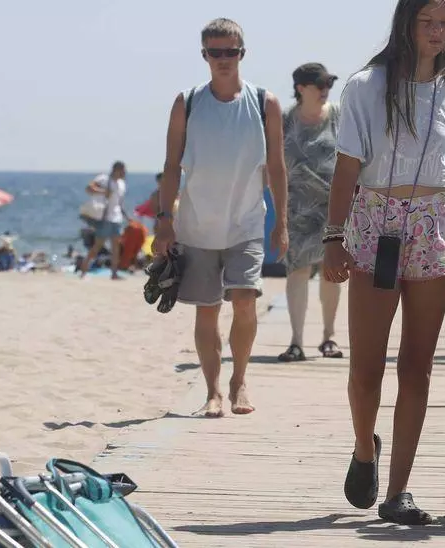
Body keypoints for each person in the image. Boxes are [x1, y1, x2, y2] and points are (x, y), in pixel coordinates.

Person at [320, 0, 445, 525]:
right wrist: (333, 237)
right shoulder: (364, 86)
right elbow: (347, 166)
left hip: (432, 226)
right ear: (406, 24)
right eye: (428, 21)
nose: (438, 32)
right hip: (374, 222)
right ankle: (364, 449)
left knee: (418, 366)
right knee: (366, 367)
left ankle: (398, 492)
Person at [153, 17, 289, 418]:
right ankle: (212, 391)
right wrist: (164, 220)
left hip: (247, 223)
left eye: (230, 51)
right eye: (216, 52)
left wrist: (282, 222)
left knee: (245, 301)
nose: (223, 59)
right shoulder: (188, 102)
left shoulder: (265, 103)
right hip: (196, 225)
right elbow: (171, 165)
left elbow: (277, 167)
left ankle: (238, 380)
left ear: (242, 53)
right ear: (204, 55)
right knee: (207, 308)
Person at [278, 62, 345, 362]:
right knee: (297, 270)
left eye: (328, 84)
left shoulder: (339, 116)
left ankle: (329, 337)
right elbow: (271, 164)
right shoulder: (284, 120)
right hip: (297, 206)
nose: (325, 90)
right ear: (301, 88)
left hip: (334, 206)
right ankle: (296, 341)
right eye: (319, 85)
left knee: (332, 271)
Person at [79, 161, 127, 279]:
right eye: (122, 170)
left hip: (116, 218)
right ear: (116, 170)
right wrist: (104, 192)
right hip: (105, 217)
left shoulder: (122, 184)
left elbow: (119, 202)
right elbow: (89, 188)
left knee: (115, 246)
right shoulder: (103, 179)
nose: (124, 173)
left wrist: (126, 217)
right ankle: (84, 269)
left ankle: (114, 273)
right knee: (98, 245)